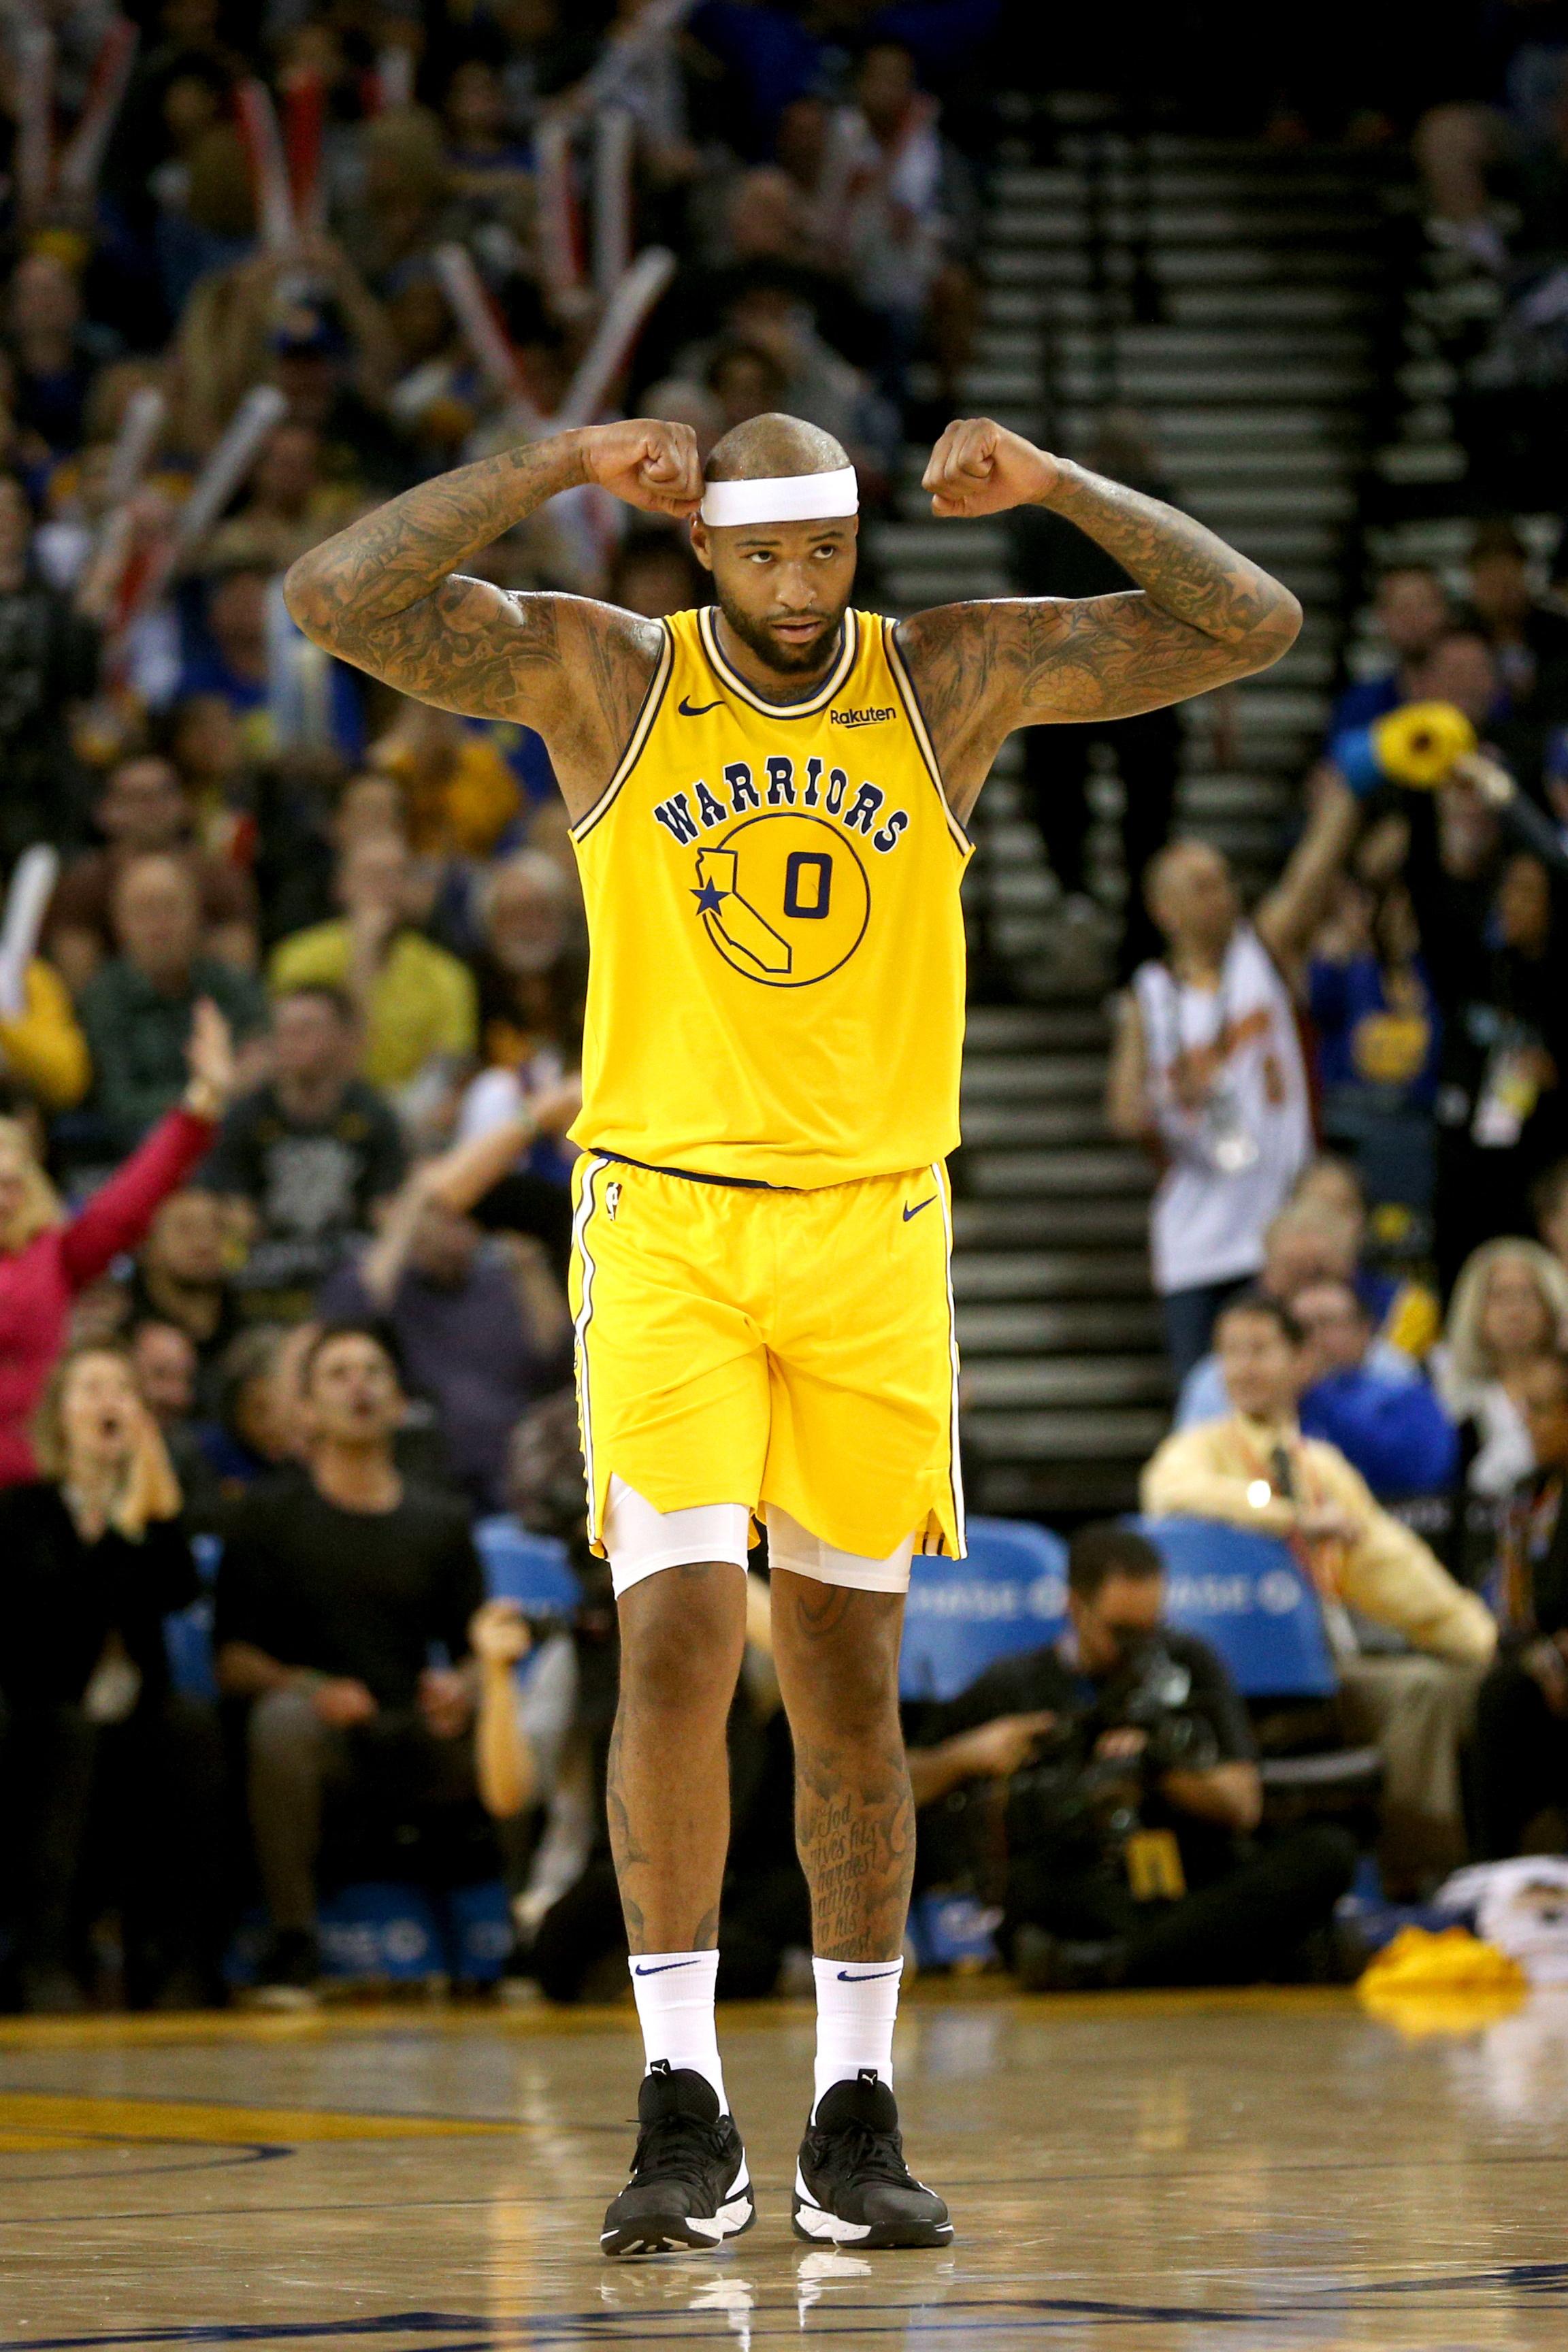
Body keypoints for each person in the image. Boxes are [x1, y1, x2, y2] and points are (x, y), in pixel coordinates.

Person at [284, 404, 1300, 2254]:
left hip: (874, 1234)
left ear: (855, 542)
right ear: (702, 553)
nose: (793, 585)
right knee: (675, 1639)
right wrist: (554, 468)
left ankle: (852, 2110)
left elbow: (1253, 628)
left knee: (844, 1679)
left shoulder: (945, 678)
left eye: (821, 551)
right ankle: (683, 2108)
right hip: (664, 1220)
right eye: (759, 554)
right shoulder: (608, 676)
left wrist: (1059, 488)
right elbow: (336, 595)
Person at [1143, 1292, 1496, 1888]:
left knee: (1449, 1686)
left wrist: (1483, 1642)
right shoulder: (1195, 1449)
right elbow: (1172, 1494)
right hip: (1221, 1676)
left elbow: (1392, 1567)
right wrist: (1290, 1517)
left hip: (1323, 1665)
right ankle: (1414, 1868)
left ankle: (1433, 1862)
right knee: (1420, 1690)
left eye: (1260, 1350)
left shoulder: (1322, 1468)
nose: (1245, 1367)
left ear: (1300, 1363)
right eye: (1231, 1352)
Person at [906, 1524, 1356, 1990]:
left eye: (1152, 1631)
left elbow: (1242, 1805)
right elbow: (902, 1783)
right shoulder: (1016, 1683)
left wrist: (1156, 1767)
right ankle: (1207, 1955)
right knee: (1027, 1891)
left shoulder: (1189, 1662)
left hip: (1191, 1875)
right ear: (1075, 1608)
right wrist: (966, 1755)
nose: (1137, 1650)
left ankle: (1104, 1967)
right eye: (1121, 1633)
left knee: (1327, 1853)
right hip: (1088, 1885)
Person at [212, 1322, 488, 2004]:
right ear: (305, 1409)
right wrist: (308, 1687)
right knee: (281, 1722)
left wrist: (466, 1687)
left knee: (510, 1724)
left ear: (398, 1402)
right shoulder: (268, 1516)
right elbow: (233, 1659)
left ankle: (500, 1939)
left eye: (373, 1372)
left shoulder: (441, 1518)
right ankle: (293, 1941)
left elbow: (478, 1649)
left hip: (415, 1728)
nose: (359, 1385)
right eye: (337, 1374)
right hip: (324, 1732)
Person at [1106, 791, 1360, 1382]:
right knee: (1206, 1395)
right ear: (1163, 908)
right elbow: (1122, 1114)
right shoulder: (1149, 995)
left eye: (1223, 879)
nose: (1222, 893)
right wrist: (1168, 1099)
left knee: (1291, 1388)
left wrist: (1347, 790)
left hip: (1280, 1231)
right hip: (1195, 1237)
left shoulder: (1263, 950)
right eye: (1201, 885)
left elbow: (1313, 873)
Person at [0, 1345, 220, 2011]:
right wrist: (123, 1528)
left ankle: (179, 1958)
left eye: (123, 1389)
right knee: (68, 1738)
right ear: (60, 1415)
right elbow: (59, 1619)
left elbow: (179, 1589)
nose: (109, 1402)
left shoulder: (153, 1518)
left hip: (133, 1718)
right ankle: (46, 1955)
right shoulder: (23, 1513)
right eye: (91, 1388)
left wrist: (146, 1503)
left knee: (189, 1725)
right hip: (45, 1716)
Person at [0, 1000, 234, 1485]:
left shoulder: (52, 1255)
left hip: (41, 1485)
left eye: (13, 1181)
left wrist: (202, 1103)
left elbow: (130, 1201)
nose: (3, 1197)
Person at [318, 1100, 576, 1512]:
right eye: (440, 1212)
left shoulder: (505, 1279)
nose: (457, 1223)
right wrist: (416, 1203)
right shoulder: (385, 1283)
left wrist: (528, 1270)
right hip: (417, 1478)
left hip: (515, 1476)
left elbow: (559, 1359)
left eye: (466, 1212)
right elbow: (350, 1321)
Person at [200, 983, 406, 1322]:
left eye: (307, 1029)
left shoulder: (374, 1116)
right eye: (283, 1030)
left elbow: (387, 1215)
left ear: (344, 1038)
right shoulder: (245, 1117)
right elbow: (234, 1216)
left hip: (350, 1288)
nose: (291, 1039)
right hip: (263, 1289)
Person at [78, 854, 267, 1157]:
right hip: (140, 1154)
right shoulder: (103, 998)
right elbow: (119, 1106)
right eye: (144, 910)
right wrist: (212, 1094)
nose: (159, 924)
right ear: (119, 923)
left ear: (198, 917)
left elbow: (266, 1072)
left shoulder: (233, 987)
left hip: (237, 1147)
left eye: (171, 908)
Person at [268, 829, 478, 1100]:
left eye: (397, 876)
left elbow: (450, 1069)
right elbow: (296, 1057)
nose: (384, 888)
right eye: (372, 875)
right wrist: (364, 955)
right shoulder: (298, 958)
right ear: (341, 885)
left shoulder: (447, 973)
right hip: (320, 1101)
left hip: (410, 1110)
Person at [46, 755, 259, 996]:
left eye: (162, 795)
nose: (150, 807)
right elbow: (77, 987)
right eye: (136, 798)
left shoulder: (219, 878)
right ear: (105, 811)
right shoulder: (82, 884)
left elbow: (238, 976)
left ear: (185, 805)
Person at [1473, 1354, 1568, 1857]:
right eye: (1523, 1411)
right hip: (1531, 1661)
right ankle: (1493, 1873)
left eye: (1541, 1410)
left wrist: (1553, 1659)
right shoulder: (1526, 1495)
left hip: (1554, 1663)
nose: (1528, 1425)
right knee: (1494, 1686)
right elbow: (1511, 1610)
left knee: (1506, 1694)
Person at [1433, 1239, 1568, 1573]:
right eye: (1501, 1296)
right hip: (1478, 1557)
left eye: (1528, 1295)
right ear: (1475, 1308)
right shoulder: (1449, 1401)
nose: (1516, 1309)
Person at [1292, 1277, 1458, 1505]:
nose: (1312, 1337)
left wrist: (1317, 1394)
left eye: (1326, 1323)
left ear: (1365, 1329)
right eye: (1298, 1328)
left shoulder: (1403, 1389)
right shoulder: (1273, 1397)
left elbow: (1419, 1473)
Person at [1325, 566, 1452, 739]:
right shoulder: (1361, 703)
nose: (1413, 618)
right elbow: (1334, 763)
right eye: (1402, 608)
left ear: (1444, 611)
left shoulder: (1475, 693)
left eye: (1424, 605)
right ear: (1382, 616)